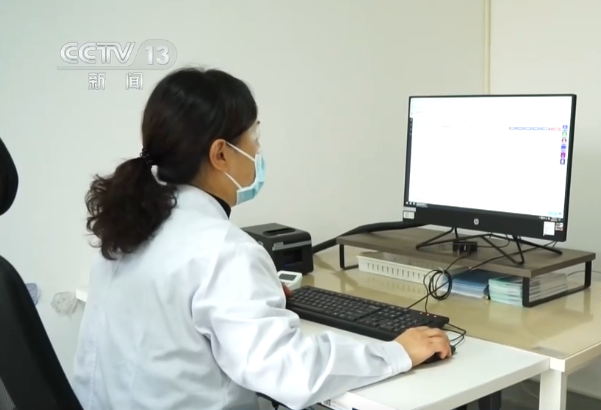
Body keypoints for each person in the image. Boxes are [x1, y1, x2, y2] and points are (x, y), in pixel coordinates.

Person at [72, 67, 452, 410]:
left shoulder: (127, 228)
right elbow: (290, 373)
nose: (257, 150)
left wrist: (254, 296)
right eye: (253, 136)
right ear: (221, 154)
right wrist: (396, 353)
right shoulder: (223, 250)